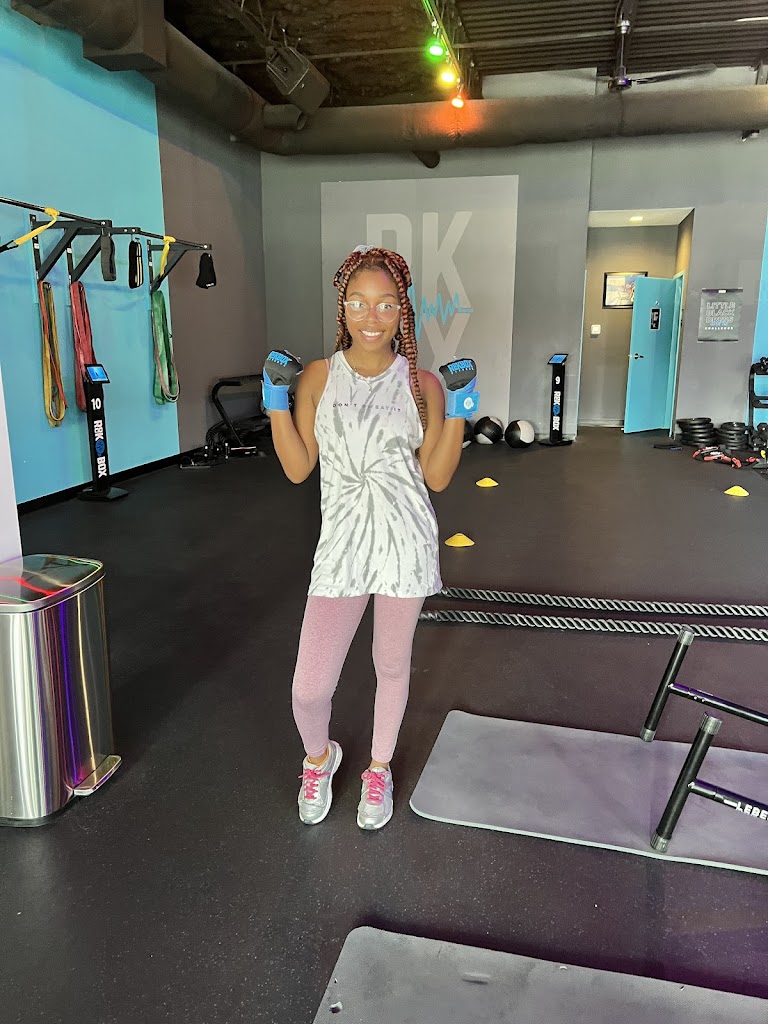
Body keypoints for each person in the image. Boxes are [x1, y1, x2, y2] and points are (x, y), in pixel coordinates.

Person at [262, 244, 479, 830]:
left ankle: (378, 768)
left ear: (402, 309)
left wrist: (460, 409)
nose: (372, 316)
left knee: (391, 664)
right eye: (359, 303)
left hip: (404, 542)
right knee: (309, 689)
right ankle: (319, 758)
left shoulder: (421, 384)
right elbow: (299, 468)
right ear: (343, 308)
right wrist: (276, 403)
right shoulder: (318, 376)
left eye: (385, 304)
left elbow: (436, 476)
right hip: (341, 547)